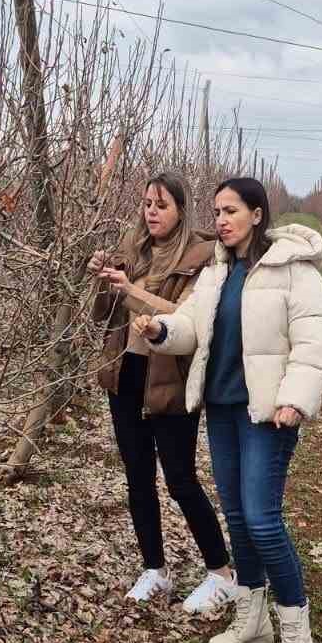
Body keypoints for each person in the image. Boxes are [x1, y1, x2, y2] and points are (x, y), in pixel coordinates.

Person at [134, 178, 322, 643]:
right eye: (217, 211)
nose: (220, 220)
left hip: (267, 413)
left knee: (264, 520)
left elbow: (314, 340)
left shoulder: (293, 269)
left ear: (258, 214)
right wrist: (160, 331)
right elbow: (190, 327)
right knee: (240, 518)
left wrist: (295, 398)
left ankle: (298, 642)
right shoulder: (217, 271)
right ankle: (253, 620)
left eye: (231, 211)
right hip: (222, 410)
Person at [90, 172, 237, 615]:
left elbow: (186, 318)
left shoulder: (201, 255)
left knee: (179, 479)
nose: (151, 212)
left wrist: (129, 289)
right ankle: (155, 568)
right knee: (137, 477)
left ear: (181, 210)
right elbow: (102, 317)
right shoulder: (130, 249)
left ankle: (222, 573)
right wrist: (102, 279)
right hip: (126, 373)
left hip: (168, 377)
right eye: (147, 203)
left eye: (162, 205)